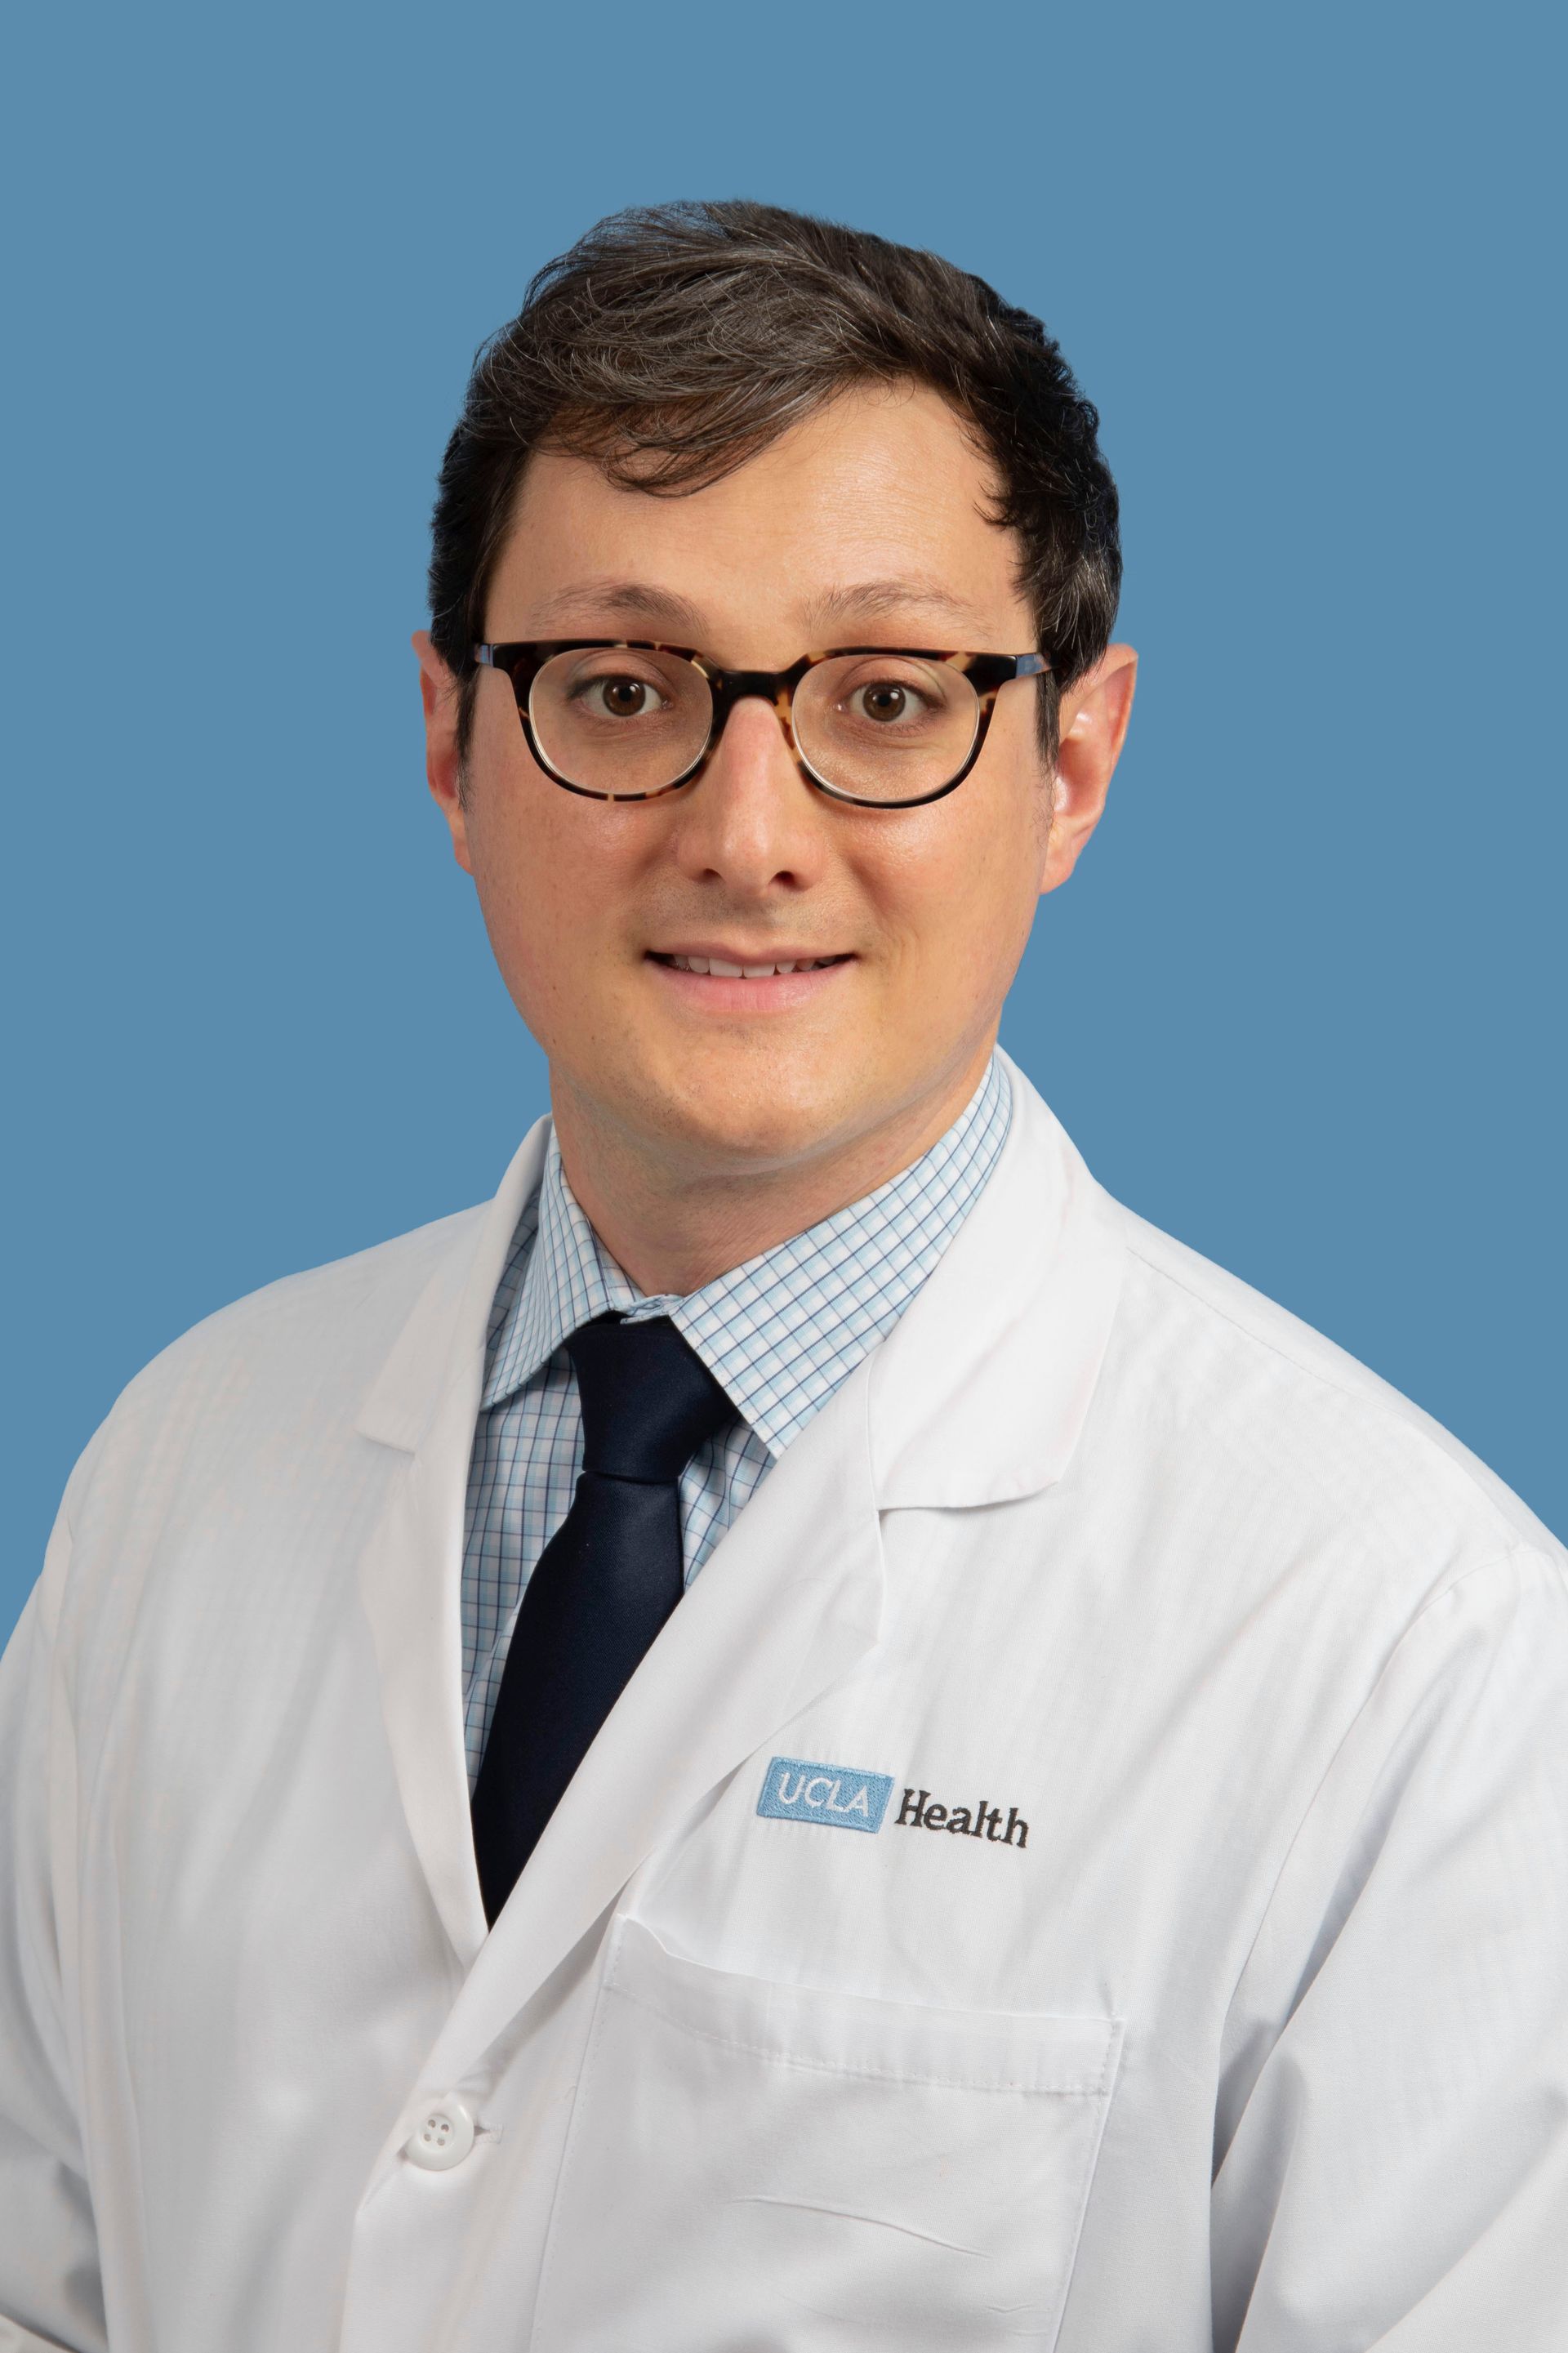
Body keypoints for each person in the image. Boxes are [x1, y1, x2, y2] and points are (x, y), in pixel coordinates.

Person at [1, 198, 1563, 2353]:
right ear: (453, 741)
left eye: (886, 696)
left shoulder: (1412, 1646)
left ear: (1073, 763)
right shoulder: (183, 1461)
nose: (747, 826)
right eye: (625, 687)